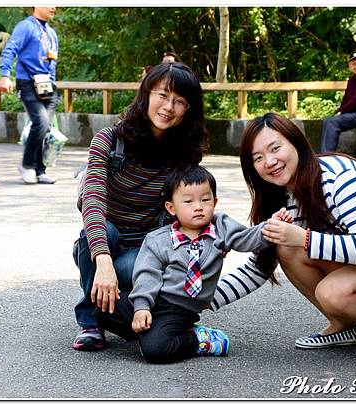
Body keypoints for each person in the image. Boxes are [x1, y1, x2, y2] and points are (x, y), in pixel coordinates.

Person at [212, 112, 356, 359]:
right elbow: (258, 267)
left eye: (275, 148)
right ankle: (343, 324)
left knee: (332, 290)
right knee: (285, 248)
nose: (269, 161)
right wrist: (199, 299)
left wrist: (304, 238)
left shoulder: (340, 176)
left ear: (296, 142)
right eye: (258, 158)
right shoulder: (283, 197)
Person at [72, 62, 209, 351]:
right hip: (105, 240)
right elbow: (92, 201)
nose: (168, 106)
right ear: (146, 94)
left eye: (180, 101)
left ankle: (122, 314)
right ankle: (90, 323)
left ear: (188, 110)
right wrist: (104, 261)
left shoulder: (184, 156)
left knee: (135, 273)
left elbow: (186, 213)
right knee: (98, 235)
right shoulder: (109, 140)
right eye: (162, 95)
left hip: (145, 250)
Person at [94, 165, 271, 363]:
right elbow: (147, 274)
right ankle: (152, 332)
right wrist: (141, 307)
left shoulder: (220, 228)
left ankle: (198, 339)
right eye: (188, 201)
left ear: (215, 201)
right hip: (156, 299)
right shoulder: (158, 239)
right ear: (171, 208)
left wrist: (271, 228)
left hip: (179, 308)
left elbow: (246, 238)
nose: (198, 206)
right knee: (102, 309)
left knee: (156, 352)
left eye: (205, 200)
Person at [0, 7, 59, 185]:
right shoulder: (25, 26)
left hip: (48, 85)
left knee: (45, 128)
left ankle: (40, 170)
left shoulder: (51, 32)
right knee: (40, 122)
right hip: (28, 83)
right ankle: (27, 165)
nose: (53, 7)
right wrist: (5, 76)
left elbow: (52, 61)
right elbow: (10, 49)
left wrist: (53, 83)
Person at [320, 51, 356, 152]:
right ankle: (325, 154)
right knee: (329, 120)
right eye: (354, 64)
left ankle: (326, 155)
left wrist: (341, 112)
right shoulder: (352, 79)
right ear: (350, 66)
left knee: (332, 122)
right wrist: (338, 112)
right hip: (354, 113)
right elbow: (346, 99)